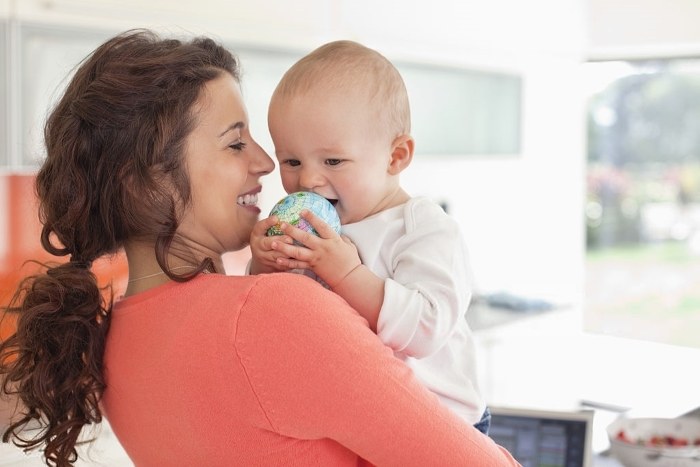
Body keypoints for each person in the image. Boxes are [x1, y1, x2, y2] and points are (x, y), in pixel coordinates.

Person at [0, 29, 519, 466]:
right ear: (144, 182)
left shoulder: (112, 342)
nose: (269, 166)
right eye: (234, 143)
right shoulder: (271, 311)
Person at [249, 40, 490, 432]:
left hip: (443, 424)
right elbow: (283, 314)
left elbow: (426, 329)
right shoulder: (316, 229)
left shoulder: (422, 228)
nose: (307, 179)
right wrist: (265, 264)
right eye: (291, 161)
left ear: (396, 157)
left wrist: (346, 275)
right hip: (363, 420)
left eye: (333, 161)